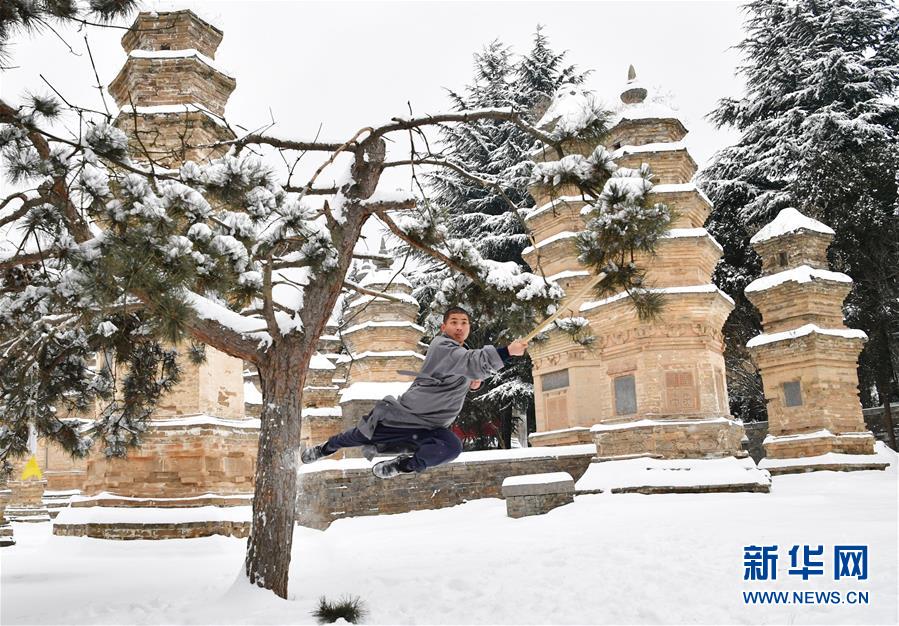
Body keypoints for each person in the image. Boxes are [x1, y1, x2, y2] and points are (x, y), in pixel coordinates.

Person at [300, 306, 528, 478]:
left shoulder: (461, 354)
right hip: (402, 419)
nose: (459, 327)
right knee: (354, 436)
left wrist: (473, 383)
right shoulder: (443, 347)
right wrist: (508, 351)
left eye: (464, 323)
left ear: (469, 327)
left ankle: (402, 465)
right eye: (454, 322)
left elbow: (467, 370)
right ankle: (323, 449)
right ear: (443, 328)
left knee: (451, 447)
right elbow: (471, 362)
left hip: (431, 427)